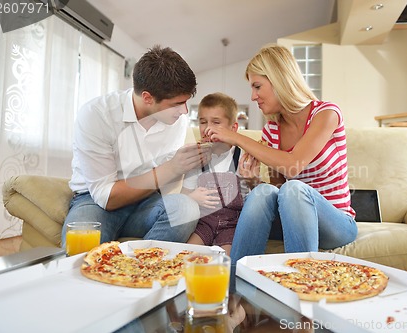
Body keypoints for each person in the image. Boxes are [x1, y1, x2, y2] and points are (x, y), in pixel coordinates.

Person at [204, 44, 358, 265]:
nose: (253, 96)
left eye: (257, 86)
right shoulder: (272, 131)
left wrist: (236, 137)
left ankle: (301, 284)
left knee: (295, 187)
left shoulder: (326, 114)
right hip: (292, 219)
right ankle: (237, 285)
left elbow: (293, 165)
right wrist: (252, 180)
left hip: (336, 222)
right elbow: (279, 191)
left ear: (279, 80)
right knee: (265, 192)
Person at [62, 45, 211, 246]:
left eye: (186, 102)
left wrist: (189, 166)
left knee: (185, 209)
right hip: (94, 201)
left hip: (147, 201)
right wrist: (172, 168)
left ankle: (137, 268)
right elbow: (106, 197)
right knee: (78, 248)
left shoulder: (176, 121)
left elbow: (166, 185)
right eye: (176, 104)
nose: (184, 111)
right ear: (148, 98)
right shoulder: (97, 115)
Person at [182, 92, 254, 255]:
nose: (208, 128)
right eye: (202, 122)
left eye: (216, 122)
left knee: (224, 260)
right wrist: (193, 197)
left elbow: (252, 201)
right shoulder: (197, 157)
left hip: (231, 226)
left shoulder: (243, 157)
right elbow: (183, 196)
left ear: (233, 128)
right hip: (203, 224)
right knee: (186, 256)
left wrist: (249, 179)